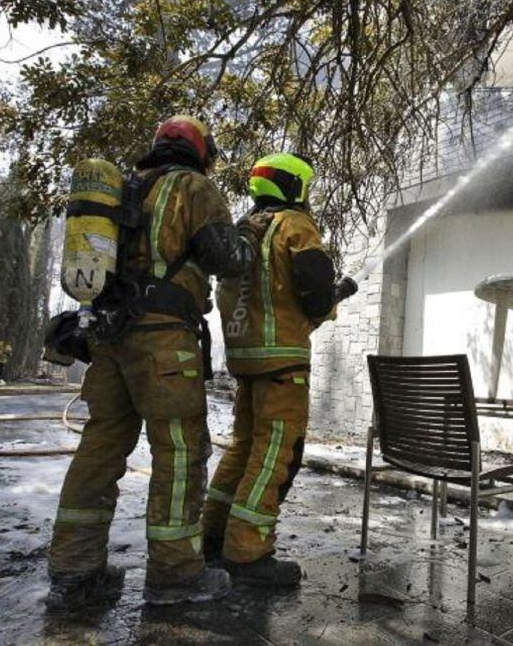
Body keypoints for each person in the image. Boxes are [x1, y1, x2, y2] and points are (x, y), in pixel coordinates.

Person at [46, 115, 256, 611]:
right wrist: (245, 241)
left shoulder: (126, 190)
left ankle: (74, 572)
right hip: (164, 340)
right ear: (200, 153)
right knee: (180, 453)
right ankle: (176, 574)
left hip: (110, 340)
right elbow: (225, 257)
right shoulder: (194, 187)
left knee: (100, 448)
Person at [202, 152, 357, 587]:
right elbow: (314, 294)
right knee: (274, 454)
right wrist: (334, 293)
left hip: (246, 361)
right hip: (283, 363)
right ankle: (247, 553)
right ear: (296, 186)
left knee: (243, 448)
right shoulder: (295, 225)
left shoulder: (244, 230)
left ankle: (212, 534)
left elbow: (265, 293)